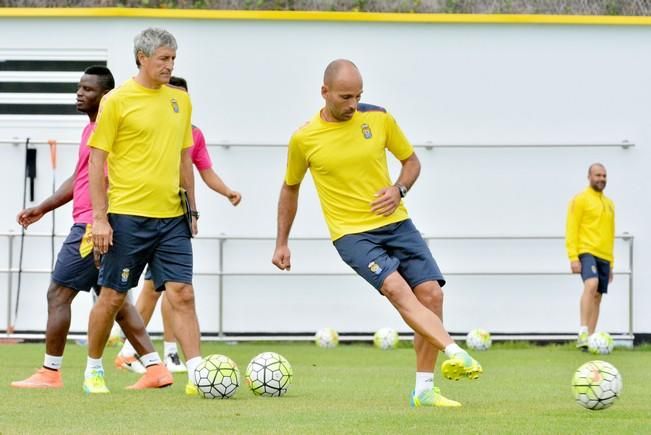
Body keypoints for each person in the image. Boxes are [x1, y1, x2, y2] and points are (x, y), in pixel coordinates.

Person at [271, 59, 482, 408]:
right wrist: (282, 242)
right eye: (345, 97)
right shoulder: (304, 138)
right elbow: (290, 188)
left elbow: (412, 161)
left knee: (431, 295)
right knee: (398, 290)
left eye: (358, 95)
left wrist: (398, 189)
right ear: (324, 92)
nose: (353, 104)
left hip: (397, 223)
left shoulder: (379, 118)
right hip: (352, 235)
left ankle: (425, 389)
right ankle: (455, 351)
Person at [10, 66, 157, 390]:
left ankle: (50, 372)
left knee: (58, 293)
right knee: (114, 300)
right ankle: (155, 368)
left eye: (88, 89)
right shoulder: (90, 130)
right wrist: (43, 207)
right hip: (97, 223)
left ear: (105, 97)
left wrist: (101, 222)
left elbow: (107, 177)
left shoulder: (108, 130)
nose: (80, 93)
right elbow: (79, 179)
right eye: (79, 87)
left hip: (93, 225)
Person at [87, 28, 202, 395]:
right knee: (113, 296)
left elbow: (186, 158)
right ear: (141, 57)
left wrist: (193, 210)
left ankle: (199, 374)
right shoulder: (117, 101)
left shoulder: (180, 102)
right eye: (163, 59)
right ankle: (93, 368)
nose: (170, 65)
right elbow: (97, 160)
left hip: (172, 218)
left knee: (182, 293)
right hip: (127, 217)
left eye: (173, 59)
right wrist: (100, 218)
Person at [116, 75, 241, 374]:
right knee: (148, 291)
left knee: (172, 291)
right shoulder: (142, 124)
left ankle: (158, 354)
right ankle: (135, 352)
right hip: (142, 217)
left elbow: (201, 171)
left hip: (173, 220)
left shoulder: (193, 134)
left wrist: (224, 193)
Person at [566, 163, 615, 350]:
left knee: (598, 296)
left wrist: (611, 263)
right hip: (586, 251)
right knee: (591, 284)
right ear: (589, 177)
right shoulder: (580, 200)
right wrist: (573, 256)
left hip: (604, 255)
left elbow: (611, 233)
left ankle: (591, 340)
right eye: (597, 175)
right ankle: (583, 332)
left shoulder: (610, 204)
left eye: (604, 175)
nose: (601, 179)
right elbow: (571, 227)